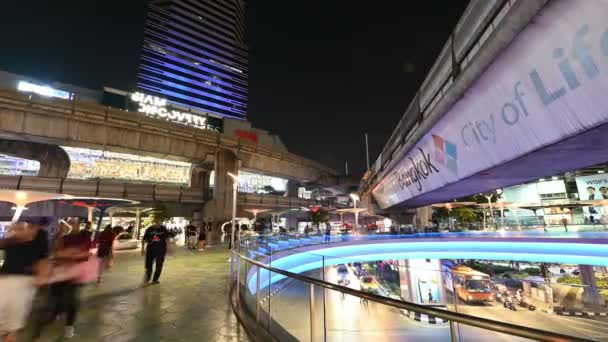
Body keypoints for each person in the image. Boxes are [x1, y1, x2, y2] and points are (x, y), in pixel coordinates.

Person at [0, 219, 50, 342]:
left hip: (24, 282)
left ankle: (10, 335)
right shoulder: (12, 240)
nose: (28, 229)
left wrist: (41, 275)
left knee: (15, 314)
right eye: (27, 226)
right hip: (5, 279)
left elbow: (43, 260)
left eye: (31, 227)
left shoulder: (39, 242)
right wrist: (12, 232)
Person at [49, 221, 93, 339]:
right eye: (71, 222)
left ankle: (69, 326)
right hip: (60, 272)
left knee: (73, 300)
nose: (73, 224)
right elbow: (56, 253)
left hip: (75, 274)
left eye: (76, 223)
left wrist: (72, 255)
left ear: (79, 225)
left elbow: (87, 255)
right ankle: (57, 312)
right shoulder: (63, 237)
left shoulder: (85, 237)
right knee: (57, 296)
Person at [142, 219, 169, 284]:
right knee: (149, 265)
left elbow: (167, 238)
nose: (158, 224)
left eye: (160, 223)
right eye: (157, 223)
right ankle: (148, 277)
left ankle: (155, 279)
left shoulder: (163, 229)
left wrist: (167, 248)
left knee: (159, 265)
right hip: (150, 250)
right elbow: (144, 239)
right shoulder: (149, 229)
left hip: (161, 250)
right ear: (154, 222)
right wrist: (142, 249)